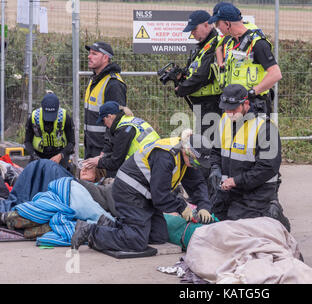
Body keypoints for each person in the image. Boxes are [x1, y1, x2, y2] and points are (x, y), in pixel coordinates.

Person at [71, 130, 213, 253]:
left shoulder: (186, 158)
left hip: (146, 194)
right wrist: (182, 207)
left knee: (159, 236)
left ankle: (110, 226)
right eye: (195, 162)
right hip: (129, 192)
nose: (195, 167)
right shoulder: (165, 156)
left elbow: (197, 184)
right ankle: (89, 231)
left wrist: (204, 206)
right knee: (136, 241)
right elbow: (160, 197)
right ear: (186, 150)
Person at [209, 84, 290, 231]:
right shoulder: (224, 120)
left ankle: (273, 215)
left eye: (233, 109)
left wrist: (236, 181)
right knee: (213, 224)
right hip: (230, 190)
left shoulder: (265, 127)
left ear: (246, 103)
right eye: (226, 109)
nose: (230, 113)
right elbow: (215, 151)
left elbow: (268, 167)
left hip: (258, 191)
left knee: (238, 229)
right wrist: (215, 168)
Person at [208, 3, 282, 115]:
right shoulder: (230, 42)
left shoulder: (257, 43)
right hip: (233, 105)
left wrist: (252, 92)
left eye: (218, 23)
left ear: (227, 23)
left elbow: (276, 74)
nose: (217, 27)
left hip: (254, 105)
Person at [175, 10, 222, 137]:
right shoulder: (201, 46)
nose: (192, 33)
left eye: (194, 29)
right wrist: (180, 75)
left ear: (207, 24)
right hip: (201, 104)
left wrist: (182, 88)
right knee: (202, 143)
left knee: (209, 147)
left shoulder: (216, 44)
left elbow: (203, 75)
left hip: (213, 104)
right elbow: (192, 70)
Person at [82, 101, 160, 178]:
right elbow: (115, 145)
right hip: (157, 157)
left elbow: (116, 163)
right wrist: (103, 155)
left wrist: (98, 162)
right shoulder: (129, 121)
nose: (104, 124)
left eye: (103, 120)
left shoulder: (124, 130)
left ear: (109, 116)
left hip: (149, 164)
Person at [84, 41, 127, 159]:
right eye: (89, 53)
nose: (89, 56)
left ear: (105, 58)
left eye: (94, 54)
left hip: (103, 150)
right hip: (91, 146)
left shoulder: (113, 84)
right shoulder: (94, 79)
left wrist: (107, 151)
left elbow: (116, 120)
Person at [24, 92, 75, 170]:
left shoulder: (65, 117)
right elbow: (27, 141)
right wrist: (35, 156)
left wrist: (61, 155)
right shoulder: (34, 117)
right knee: (30, 175)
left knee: (65, 174)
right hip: (38, 155)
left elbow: (71, 142)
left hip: (60, 154)